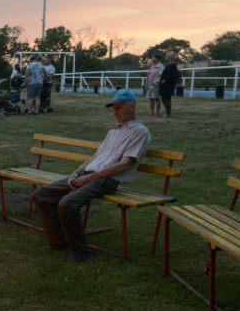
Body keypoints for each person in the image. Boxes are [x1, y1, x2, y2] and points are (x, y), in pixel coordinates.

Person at [31, 88, 151, 263]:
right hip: (88, 175)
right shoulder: (113, 133)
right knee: (40, 195)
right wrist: (77, 172)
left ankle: (80, 251)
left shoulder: (140, 132)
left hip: (106, 180)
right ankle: (58, 242)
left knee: (67, 203)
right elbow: (95, 158)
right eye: (113, 108)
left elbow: (124, 164)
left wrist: (88, 178)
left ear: (132, 107)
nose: (115, 112)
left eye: (118, 108)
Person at [159, 50, 180, 117]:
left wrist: (165, 79)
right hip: (165, 84)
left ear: (170, 57)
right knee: (163, 98)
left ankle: (168, 113)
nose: (165, 57)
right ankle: (167, 112)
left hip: (168, 84)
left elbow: (170, 75)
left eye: (166, 56)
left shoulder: (172, 65)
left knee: (167, 98)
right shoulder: (169, 65)